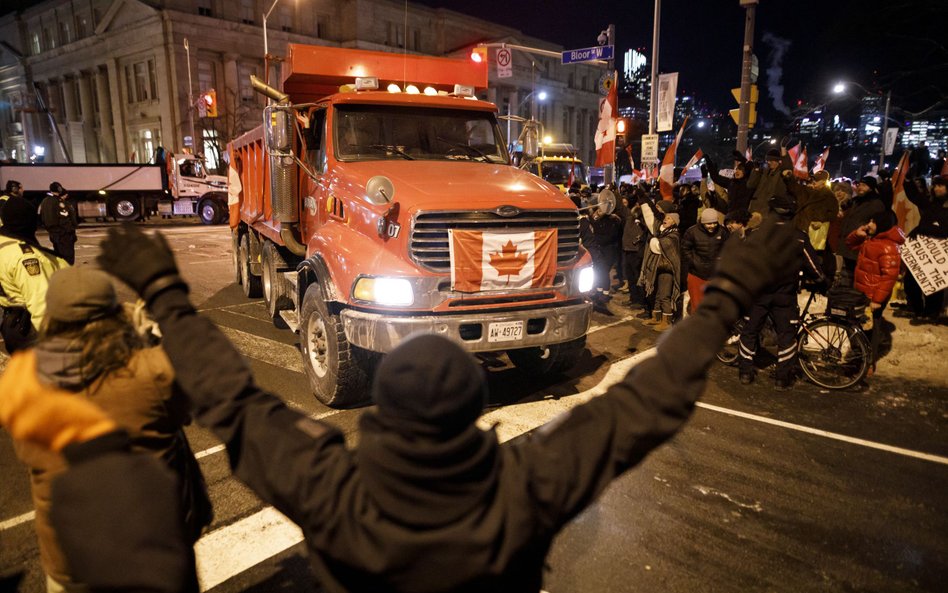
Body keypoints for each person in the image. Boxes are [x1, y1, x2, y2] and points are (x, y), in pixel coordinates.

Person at [0, 220, 799, 593]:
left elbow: (234, 403)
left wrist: (171, 295)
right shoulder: (522, 490)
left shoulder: (335, 494)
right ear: (474, 420)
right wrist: (725, 298)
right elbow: (645, 402)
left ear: (380, 416)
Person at [8, 267, 211, 591]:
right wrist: (146, 339)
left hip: (71, 560)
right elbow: (185, 408)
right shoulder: (152, 372)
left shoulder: (22, 385)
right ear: (113, 313)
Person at [737, 195, 823, 390]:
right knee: (786, 335)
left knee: (750, 331)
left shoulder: (755, 233)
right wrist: (820, 279)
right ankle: (781, 378)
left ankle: (745, 373)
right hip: (784, 294)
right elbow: (813, 266)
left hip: (758, 293)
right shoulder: (798, 236)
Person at [0, 196, 68, 354]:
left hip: (12, 321)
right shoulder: (27, 258)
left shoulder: (4, 244)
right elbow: (41, 306)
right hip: (30, 329)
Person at [845, 210, 904, 374]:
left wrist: (877, 300)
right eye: (869, 220)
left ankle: (868, 362)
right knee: (860, 325)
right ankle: (860, 357)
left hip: (874, 294)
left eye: (873, 221)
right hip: (863, 291)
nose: (869, 224)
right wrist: (857, 234)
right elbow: (849, 245)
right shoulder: (872, 240)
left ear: (882, 225)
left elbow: (889, 277)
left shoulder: (887, 246)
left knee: (872, 329)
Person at [902, 176, 947, 321]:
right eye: (935, 186)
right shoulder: (930, 204)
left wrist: (924, 229)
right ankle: (917, 310)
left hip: (939, 253)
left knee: (934, 285)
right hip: (921, 250)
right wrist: (908, 179)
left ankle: (931, 313)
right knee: (910, 282)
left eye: (941, 186)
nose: (937, 189)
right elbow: (915, 196)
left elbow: (945, 231)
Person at [834, 176, 885, 288]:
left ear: (871, 188)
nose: (860, 188)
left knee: (857, 276)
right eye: (860, 185)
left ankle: (855, 297)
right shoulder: (856, 201)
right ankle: (846, 296)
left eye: (864, 185)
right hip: (849, 243)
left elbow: (877, 224)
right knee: (847, 274)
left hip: (860, 246)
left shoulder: (876, 203)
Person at [638, 207, 681, 332]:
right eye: (666, 217)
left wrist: (653, 240)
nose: (665, 219)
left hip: (668, 269)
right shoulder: (663, 232)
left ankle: (666, 321)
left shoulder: (674, 235)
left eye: (669, 218)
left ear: (674, 222)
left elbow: (658, 245)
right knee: (657, 293)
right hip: (659, 267)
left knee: (664, 295)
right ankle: (656, 317)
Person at [682, 208, 728, 313]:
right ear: (702, 222)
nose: (712, 226)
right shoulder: (692, 232)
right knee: (696, 304)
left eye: (714, 223)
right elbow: (685, 249)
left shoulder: (723, 232)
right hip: (696, 274)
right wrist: (694, 262)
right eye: (708, 223)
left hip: (715, 274)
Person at [746, 145, 793, 217]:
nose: (769, 162)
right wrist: (756, 170)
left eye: (771, 160)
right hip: (755, 209)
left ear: (778, 161)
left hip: (770, 211)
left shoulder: (782, 173)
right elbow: (750, 184)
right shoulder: (763, 172)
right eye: (768, 160)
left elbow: (788, 167)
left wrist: (783, 149)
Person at [39, 182, 79, 265]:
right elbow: (64, 218)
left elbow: (42, 217)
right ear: (59, 189)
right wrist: (70, 231)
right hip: (63, 235)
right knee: (67, 258)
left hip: (53, 234)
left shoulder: (44, 201)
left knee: (58, 257)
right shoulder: (58, 202)